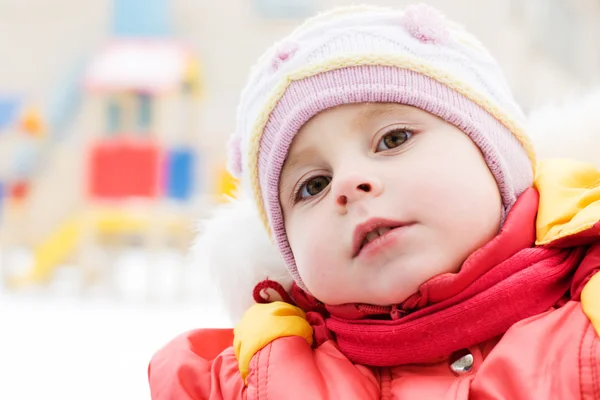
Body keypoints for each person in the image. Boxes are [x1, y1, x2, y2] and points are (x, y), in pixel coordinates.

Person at [149, 4, 600, 399]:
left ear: (498, 161)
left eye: (393, 138)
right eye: (313, 185)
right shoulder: (254, 378)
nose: (348, 183)